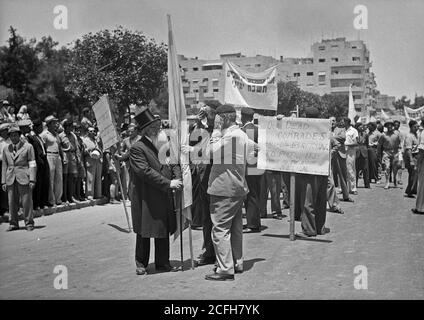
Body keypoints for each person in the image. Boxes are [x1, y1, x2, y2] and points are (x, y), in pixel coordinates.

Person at [129, 107, 182, 275]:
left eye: (158, 126)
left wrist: (178, 177)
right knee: (144, 231)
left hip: (163, 194)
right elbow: (145, 172)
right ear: (145, 130)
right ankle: (141, 263)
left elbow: (173, 162)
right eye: (153, 127)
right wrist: (168, 183)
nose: (157, 129)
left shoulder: (162, 144)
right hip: (146, 197)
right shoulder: (137, 148)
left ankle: (163, 262)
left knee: (162, 229)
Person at [205, 104, 254, 281]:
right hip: (238, 187)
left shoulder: (231, 136)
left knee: (220, 229)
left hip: (224, 188)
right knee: (235, 228)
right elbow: (255, 149)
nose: (215, 121)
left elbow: (210, 152)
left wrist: (216, 132)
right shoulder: (241, 134)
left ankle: (225, 269)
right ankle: (236, 262)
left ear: (224, 118)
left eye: (217, 118)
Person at [182, 104, 217, 266]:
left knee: (216, 218)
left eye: (207, 112)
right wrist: (198, 122)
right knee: (206, 218)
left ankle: (217, 253)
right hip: (202, 179)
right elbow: (193, 140)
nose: (204, 114)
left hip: (214, 181)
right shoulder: (200, 129)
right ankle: (209, 251)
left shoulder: (218, 131)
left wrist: (207, 121)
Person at [294, 107, 330, 237]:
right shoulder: (324, 128)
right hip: (322, 168)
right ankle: (320, 227)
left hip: (309, 170)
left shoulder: (305, 130)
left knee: (307, 201)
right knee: (320, 200)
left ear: (305, 116)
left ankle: (309, 229)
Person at [2, 125, 36, 231]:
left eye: (15, 135)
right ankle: (13, 223)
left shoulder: (28, 147)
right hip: (10, 178)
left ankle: (29, 223)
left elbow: (32, 164)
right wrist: (3, 181)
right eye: (11, 136)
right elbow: (4, 165)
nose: (13, 138)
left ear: (19, 135)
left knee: (26, 201)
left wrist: (32, 179)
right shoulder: (6, 149)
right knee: (11, 202)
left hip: (24, 176)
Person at [240, 107, 264, 233]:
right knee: (254, 194)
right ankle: (253, 221)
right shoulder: (258, 129)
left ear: (242, 116)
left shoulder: (244, 131)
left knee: (250, 195)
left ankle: (253, 224)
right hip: (257, 166)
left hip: (248, 167)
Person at [27, 118, 50, 210]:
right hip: (38, 162)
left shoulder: (39, 137)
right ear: (36, 127)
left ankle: (43, 202)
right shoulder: (31, 137)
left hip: (44, 160)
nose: (42, 128)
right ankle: (36, 203)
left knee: (45, 182)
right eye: (40, 127)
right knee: (38, 184)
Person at [41, 115, 63, 206]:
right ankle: (51, 200)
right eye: (54, 122)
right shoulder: (44, 134)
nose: (56, 124)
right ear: (49, 124)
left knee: (59, 178)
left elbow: (59, 145)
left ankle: (58, 199)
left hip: (57, 156)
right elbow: (42, 147)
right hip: (49, 155)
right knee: (51, 179)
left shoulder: (56, 133)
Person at [330, 117, 353, 202]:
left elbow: (343, 138)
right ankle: (328, 196)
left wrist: (330, 137)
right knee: (329, 176)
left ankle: (346, 196)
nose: (332, 122)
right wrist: (335, 138)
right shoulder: (325, 130)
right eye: (331, 120)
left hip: (340, 154)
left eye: (333, 120)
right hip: (329, 155)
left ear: (336, 122)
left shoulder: (341, 129)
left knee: (343, 175)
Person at [59, 119, 80, 203]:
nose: (71, 128)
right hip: (65, 156)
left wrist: (78, 157)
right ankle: (64, 198)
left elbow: (77, 146)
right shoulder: (60, 136)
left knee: (72, 178)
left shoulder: (73, 135)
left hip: (72, 156)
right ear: (66, 127)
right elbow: (59, 147)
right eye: (70, 126)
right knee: (65, 178)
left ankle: (71, 196)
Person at [377, 119, 401, 189]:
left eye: (391, 125)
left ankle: (395, 179)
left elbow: (400, 142)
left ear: (392, 126)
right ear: (386, 126)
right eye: (388, 125)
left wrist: (401, 150)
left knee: (395, 168)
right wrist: (378, 153)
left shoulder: (397, 134)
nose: (389, 126)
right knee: (387, 167)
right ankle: (387, 181)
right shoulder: (383, 135)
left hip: (395, 152)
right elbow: (379, 144)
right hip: (386, 152)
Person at [82, 126, 103, 200]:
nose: (93, 132)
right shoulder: (84, 140)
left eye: (94, 131)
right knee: (90, 178)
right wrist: (90, 150)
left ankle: (98, 194)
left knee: (98, 178)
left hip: (97, 160)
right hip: (90, 160)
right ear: (87, 132)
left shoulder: (95, 140)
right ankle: (89, 194)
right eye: (91, 131)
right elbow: (83, 151)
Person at [404, 120, 419, 198]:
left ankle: (414, 190)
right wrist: (411, 160)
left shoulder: (416, 135)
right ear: (411, 127)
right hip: (412, 156)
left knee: (416, 174)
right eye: (415, 126)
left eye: (418, 126)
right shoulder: (409, 136)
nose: (417, 128)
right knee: (412, 174)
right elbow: (408, 149)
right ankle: (409, 191)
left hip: (417, 156)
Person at [412, 118, 424, 214]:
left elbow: (421, 150)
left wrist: (418, 164)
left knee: (422, 185)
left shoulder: (423, 133)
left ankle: (420, 207)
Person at [344, 117, 359, 195]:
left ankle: (353, 188)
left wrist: (346, 145)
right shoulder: (342, 130)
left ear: (347, 122)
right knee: (343, 170)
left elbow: (356, 142)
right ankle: (342, 188)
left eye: (343, 122)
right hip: (342, 152)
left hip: (350, 152)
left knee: (351, 170)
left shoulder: (354, 131)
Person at [73, 123, 86, 201]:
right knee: (75, 179)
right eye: (76, 131)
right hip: (75, 161)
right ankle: (75, 195)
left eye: (79, 131)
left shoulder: (81, 140)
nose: (78, 132)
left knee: (80, 179)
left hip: (81, 161)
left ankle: (79, 194)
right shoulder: (74, 139)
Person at [355, 123, 370, 188]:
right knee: (356, 169)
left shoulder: (366, 135)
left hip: (364, 153)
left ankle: (367, 184)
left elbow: (367, 144)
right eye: (360, 126)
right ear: (357, 127)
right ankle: (355, 184)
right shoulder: (354, 134)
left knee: (365, 169)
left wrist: (365, 150)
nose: (361, 127)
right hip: (357, 152)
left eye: (362, 126)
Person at [0, 123, 10, 216]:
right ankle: (5, 209)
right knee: (4, 188)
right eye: (6, 130)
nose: (7, 132)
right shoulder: (1, 142)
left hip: (12, 165)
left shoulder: (11, 141)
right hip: (2, 165)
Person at [394, 120, 405, 186]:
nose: (396, 126)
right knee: (393, 166)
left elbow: (402, 142)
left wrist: (402, 150)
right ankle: (394, 178)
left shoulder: (401, 133)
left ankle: (399, 179)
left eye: (398, 125)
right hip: (392, 151)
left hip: (399, 150)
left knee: (399, 165)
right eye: (395, 125)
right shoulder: (391, 133)